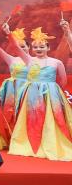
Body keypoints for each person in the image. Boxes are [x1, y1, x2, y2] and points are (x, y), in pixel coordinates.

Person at [7, 25, 72, 161]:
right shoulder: (29, 60)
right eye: (35, 47)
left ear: (48, 48)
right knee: (33, 119)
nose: (38, 49)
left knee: (51, 119)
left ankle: (51, 143)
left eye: (42, 47)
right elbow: (17, 48)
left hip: (51, 94)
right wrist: (8, 32)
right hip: (32, 95)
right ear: (32, 49)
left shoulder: (56, 62)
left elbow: (63, 80)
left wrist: (53, 91)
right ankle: (31, 143)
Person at [0, 24, 30, 135]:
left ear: (29, 47)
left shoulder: (34, 60)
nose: (21, 49)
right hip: (12, 90)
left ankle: (24, 136)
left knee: (26, 113)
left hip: (28, 90)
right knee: (10, 112)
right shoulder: (12, 60)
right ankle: (10, 135)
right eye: (18, 47)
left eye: (23, 46)